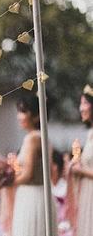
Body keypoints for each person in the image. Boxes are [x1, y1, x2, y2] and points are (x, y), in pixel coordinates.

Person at [11, 94, 57, 236]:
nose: (19, 116)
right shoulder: (41, 137)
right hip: (39, 194)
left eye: (23, 112)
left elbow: (28, 175)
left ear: (36, 116)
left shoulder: (33, 139)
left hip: (32, 196)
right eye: (19, 111)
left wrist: (6, 183)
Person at [66, 85, 93, 236]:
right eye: (80, 103)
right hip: (87, 195)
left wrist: (79, 169)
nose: (80, 108)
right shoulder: (89, 135)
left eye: (85, 103)